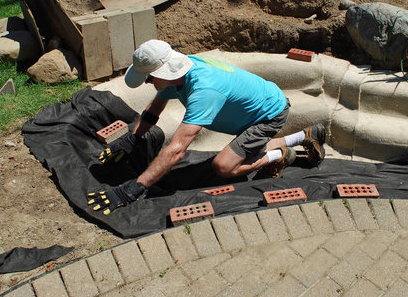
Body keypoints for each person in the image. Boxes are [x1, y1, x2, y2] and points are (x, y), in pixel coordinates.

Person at [87, 40, 326, 215]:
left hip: (269, 115)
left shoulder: (204, 91)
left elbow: (177, 149)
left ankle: (279, 155)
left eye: (148, 78)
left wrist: (135, 187)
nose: (148, 83)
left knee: (222, 166)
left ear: (163, 72)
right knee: (243, 149)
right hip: (261, 104)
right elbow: (154, 108)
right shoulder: (181, 73)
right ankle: (303, 136)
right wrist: (134, 138)